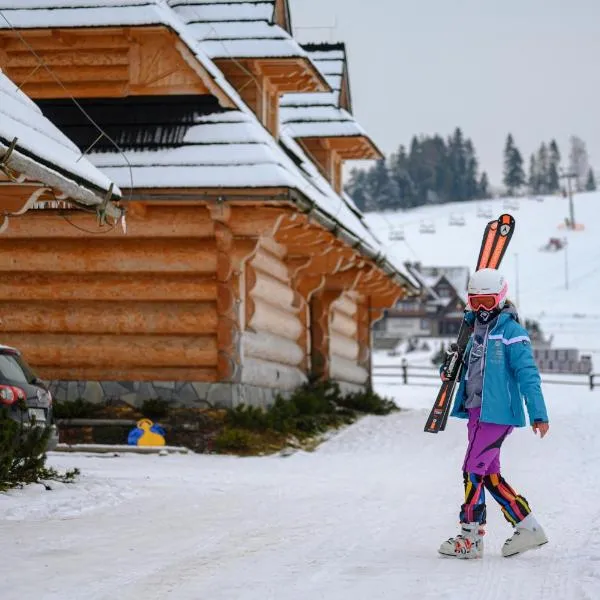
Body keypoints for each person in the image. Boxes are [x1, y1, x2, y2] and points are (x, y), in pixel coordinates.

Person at [438, 268, 550, 559]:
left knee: (472, 470)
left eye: (488, 301)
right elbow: (463, 368)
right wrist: (448, 368)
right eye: (477, 303)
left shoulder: (512, 333)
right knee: (489, 476)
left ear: (501, 298)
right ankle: (528, 526)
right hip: (476, 413)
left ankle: (470, 536)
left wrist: (538, 413)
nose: (483, 309)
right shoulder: (472, 332)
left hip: (498, 415)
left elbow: (528, 374)